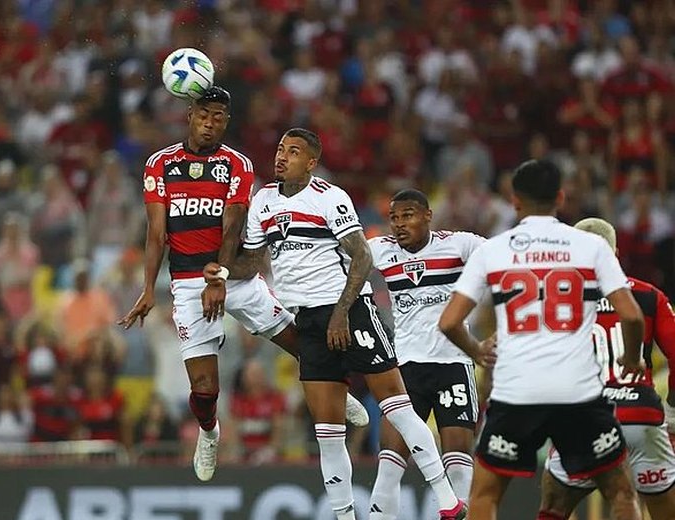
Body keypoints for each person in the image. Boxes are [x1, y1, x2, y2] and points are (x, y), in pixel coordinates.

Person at [203, 128, 466, 520]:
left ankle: (447, 500)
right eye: (279, 149)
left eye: (293, 152)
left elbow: (360, 257)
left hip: (349, 311)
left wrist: (342, 312)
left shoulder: (331, 198)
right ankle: (345, 517)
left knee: (398, 409)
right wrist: (222, 270)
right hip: (306, 321)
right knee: (328, 436)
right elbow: (255, 262)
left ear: (311, 163)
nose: (281, 156)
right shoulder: (263, 202)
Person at [118, 87, 368, 481]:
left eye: (219, 116)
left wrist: (219, 274)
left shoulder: (237, 164)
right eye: (204, 113)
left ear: (226, 121)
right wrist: (149, 288)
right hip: (185, 281)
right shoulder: (159, 164)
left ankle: (341, 392)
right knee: (204, 388)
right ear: (190, 115)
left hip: (236, 276)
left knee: (303, 344)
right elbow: (155, 233)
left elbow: (233, 223)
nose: (210, 122)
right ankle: (209, 432)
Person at [438, 159, 645, 520]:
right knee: (621, 492)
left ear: (514, 200)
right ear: (561, 198)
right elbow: (631, 314)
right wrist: (630, 358)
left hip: (516, 393)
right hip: (577, 393)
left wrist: (478, 351)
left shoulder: (494, 250)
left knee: (485, 495)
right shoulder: (590, 246)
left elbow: (450, 321)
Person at [539, 217, 675, 519]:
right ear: (614, 254)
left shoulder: (555, 302)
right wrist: (673, 412)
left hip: (583, 417)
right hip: (642, 418)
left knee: (553, 507)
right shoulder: (649, 296)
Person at [366, 189, 484, 517]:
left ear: (428, 216)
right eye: (394, 218)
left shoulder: (461, 245)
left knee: (459, 459)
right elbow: (343, 263)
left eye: (408, 215)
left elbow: (503, 262)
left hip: (453, 365)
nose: (400, 224)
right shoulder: (380, 250)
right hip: (405, 368)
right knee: (390, 460)